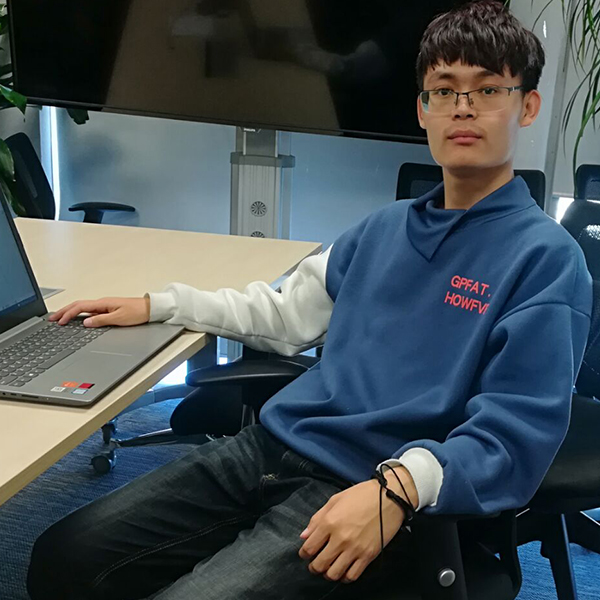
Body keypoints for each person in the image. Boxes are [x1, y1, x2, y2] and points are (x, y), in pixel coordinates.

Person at [27, 2, 593, 599]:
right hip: (274, 448)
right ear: (422, 110)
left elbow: (515, 435)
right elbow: (284, 316)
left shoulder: (544, 260)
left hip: (375, 487)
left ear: (528, 106)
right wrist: (161, 304)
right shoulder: (383, 228)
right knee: (63, 559)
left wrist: (398, 488)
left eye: (488, 90)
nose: (463, 107)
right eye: (444, 90)